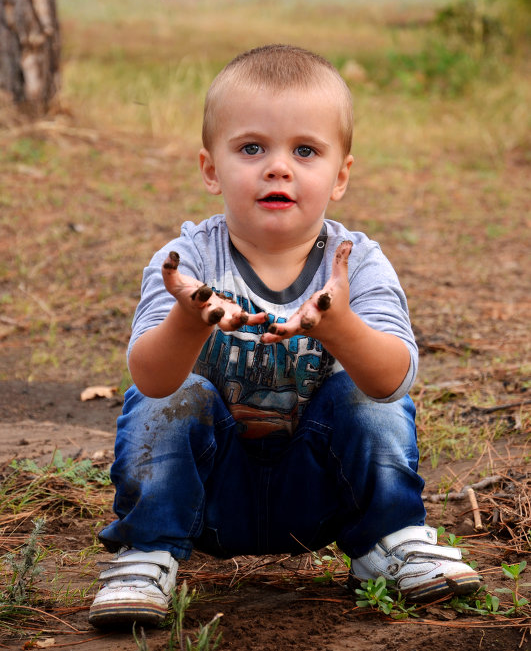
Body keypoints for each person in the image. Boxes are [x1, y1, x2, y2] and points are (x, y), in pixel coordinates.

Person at [89, 44, 480, 627]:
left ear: (341, 174)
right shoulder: (186, 263)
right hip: (209, 497)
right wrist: (187, 320)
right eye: (252, 148)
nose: (279, 167)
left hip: (318, 496)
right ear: (209, 168)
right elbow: (149, 379)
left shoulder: (357, 263)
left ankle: (392, 539)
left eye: (305, 150)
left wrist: (340, 325)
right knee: (169, 399)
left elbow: (393, 378)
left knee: (366, 398)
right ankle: (147, 551)